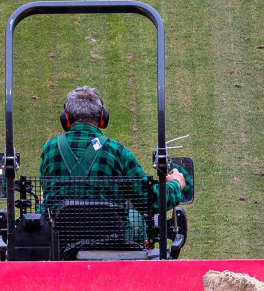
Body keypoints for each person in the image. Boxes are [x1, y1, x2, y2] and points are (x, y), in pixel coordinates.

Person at [39, 85, 188, 210]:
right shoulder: (117, 151)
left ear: (65, 118)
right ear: (102, 117)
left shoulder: (50, 149)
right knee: (137, 220)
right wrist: (175, 183)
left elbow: (45, 193)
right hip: (110, 240)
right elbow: (150, 200)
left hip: (58, 238)